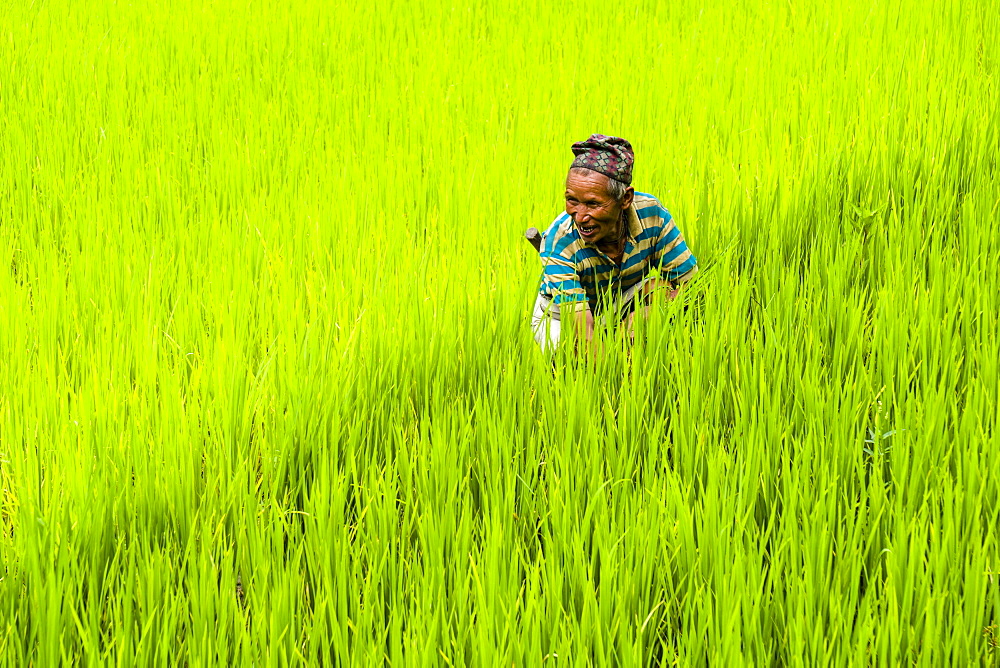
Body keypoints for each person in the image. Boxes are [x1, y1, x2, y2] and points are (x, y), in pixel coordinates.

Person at [531, 134, 698, 353]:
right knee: (575, 359)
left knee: (663, 293)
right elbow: (585, 334)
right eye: (572, 200)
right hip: (562, 316)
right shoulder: (559, 241)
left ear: (625, 199)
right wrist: (623, 372)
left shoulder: (652, 215)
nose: (580, 217)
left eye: (593, 203)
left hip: (618, 298)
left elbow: (692, 288)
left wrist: (639, 318)